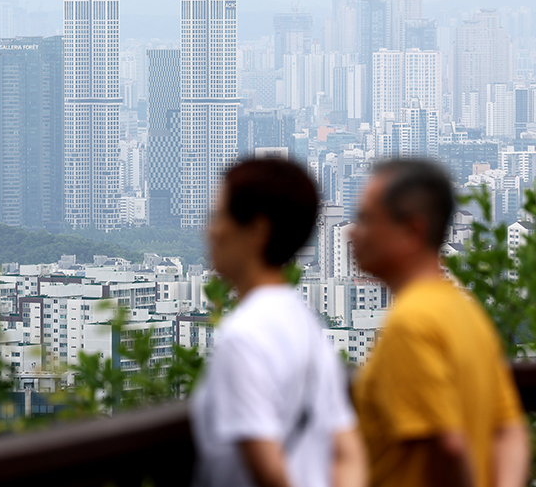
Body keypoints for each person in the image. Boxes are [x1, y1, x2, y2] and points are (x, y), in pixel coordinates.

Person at [351, 159, 530, 487]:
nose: (352, 231)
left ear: (412, 230)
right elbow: (510, 429)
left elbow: (447, 446)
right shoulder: (465, 310)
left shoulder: (410, 324)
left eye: (365, 218)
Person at [191, 157, 366, 487]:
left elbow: (270, 472)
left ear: (257, 231)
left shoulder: (242, 337)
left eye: (219, 217)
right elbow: (348, 452)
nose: (209, 230)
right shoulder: (305, 322)